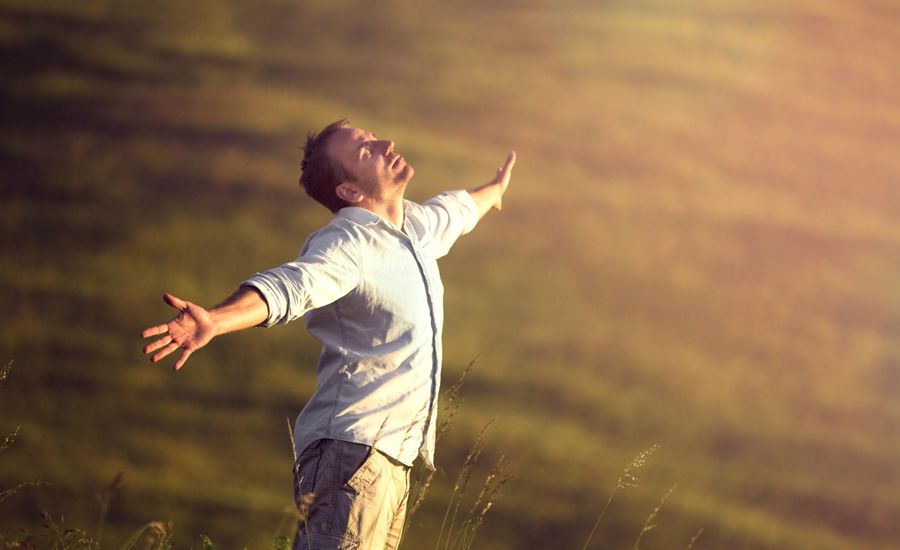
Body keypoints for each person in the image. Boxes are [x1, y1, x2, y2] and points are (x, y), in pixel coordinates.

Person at [141, 118, 516, 550]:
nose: (385, 143)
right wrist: (216, 319)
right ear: (350, 192)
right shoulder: (348, 242)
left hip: (389, 460)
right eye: (364, 150)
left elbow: (458, 209)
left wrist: (495, 190)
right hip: (352, 454)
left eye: (374, 138)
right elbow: (293, 285)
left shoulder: (413, 229)